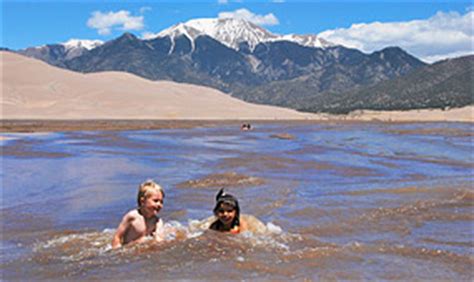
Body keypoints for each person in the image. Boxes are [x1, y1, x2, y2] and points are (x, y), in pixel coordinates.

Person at [112, 179, 166, 249]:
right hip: (128, 250)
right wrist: (116, 251)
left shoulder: (157, 221)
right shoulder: (132, 217)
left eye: (161, 202)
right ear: (143, 201)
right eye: (155, 201)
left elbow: (159, 240)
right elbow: (117, 237)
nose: (159, 204)